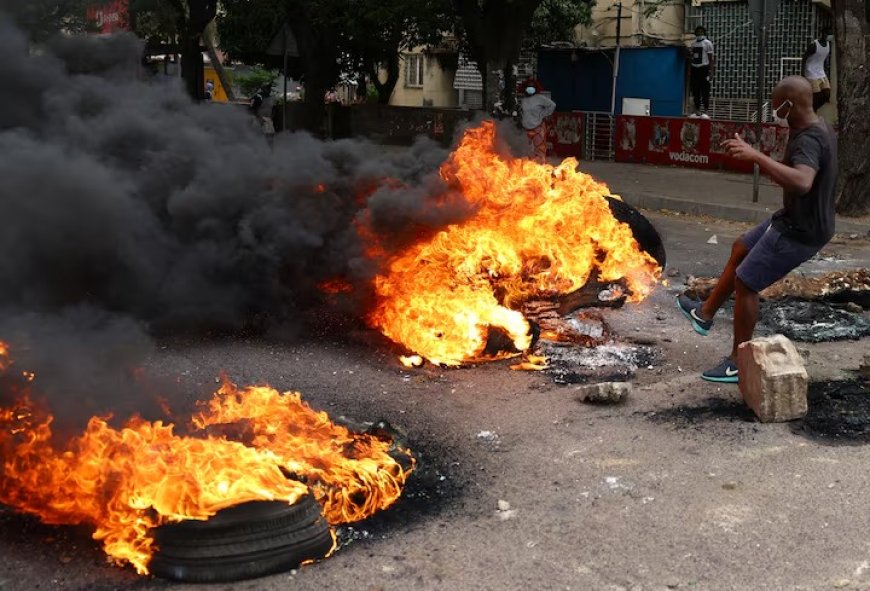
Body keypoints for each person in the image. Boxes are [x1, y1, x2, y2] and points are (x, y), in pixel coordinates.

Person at [676, 76, 837, 383]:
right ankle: (705, 313)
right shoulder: (817, 126)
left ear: (790, 105)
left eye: (777, 106)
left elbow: (803, 182)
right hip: (792, 217)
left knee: (746, 282)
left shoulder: (808, 140)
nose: (774, 110)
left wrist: (756, 157)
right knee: (741, 246)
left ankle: (739, 361)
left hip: (800, 230)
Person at [519, 80, 556, 161]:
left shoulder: (540, 98)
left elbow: (552, 105)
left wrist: (543, 114)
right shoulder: (524, 100)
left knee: (540, 151)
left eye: (532, 87)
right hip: (526, 129)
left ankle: (540, 170)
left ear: (536, 88)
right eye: (528, 87)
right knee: (526, 152)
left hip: (538, 128)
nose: (530, 88)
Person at [802, 28, 832, 112]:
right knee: (817, 95)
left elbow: (824, 59)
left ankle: (812, 108)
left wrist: (826, 71)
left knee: (827, 94)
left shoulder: (828, 45)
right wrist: (803, 73)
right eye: (827, 34)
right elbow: (804, 58)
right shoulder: (814, 45)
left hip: (821, 71)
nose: (829, 36)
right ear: (822, 34)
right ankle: (812, 111)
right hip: (810, 72)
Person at [688, 26, 715, 118]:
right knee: (696, 91)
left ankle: (706, 110)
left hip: (704, 68)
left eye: (701, 32)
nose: (699, 34)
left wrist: (710, 71)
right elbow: (691, 58)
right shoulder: (693, 44)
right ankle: (697, 110)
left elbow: (711, 58)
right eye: (698, 32)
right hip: (695, 69)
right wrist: (690, 71)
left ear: (704, 33)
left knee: (705, 91)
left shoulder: (708, 43)